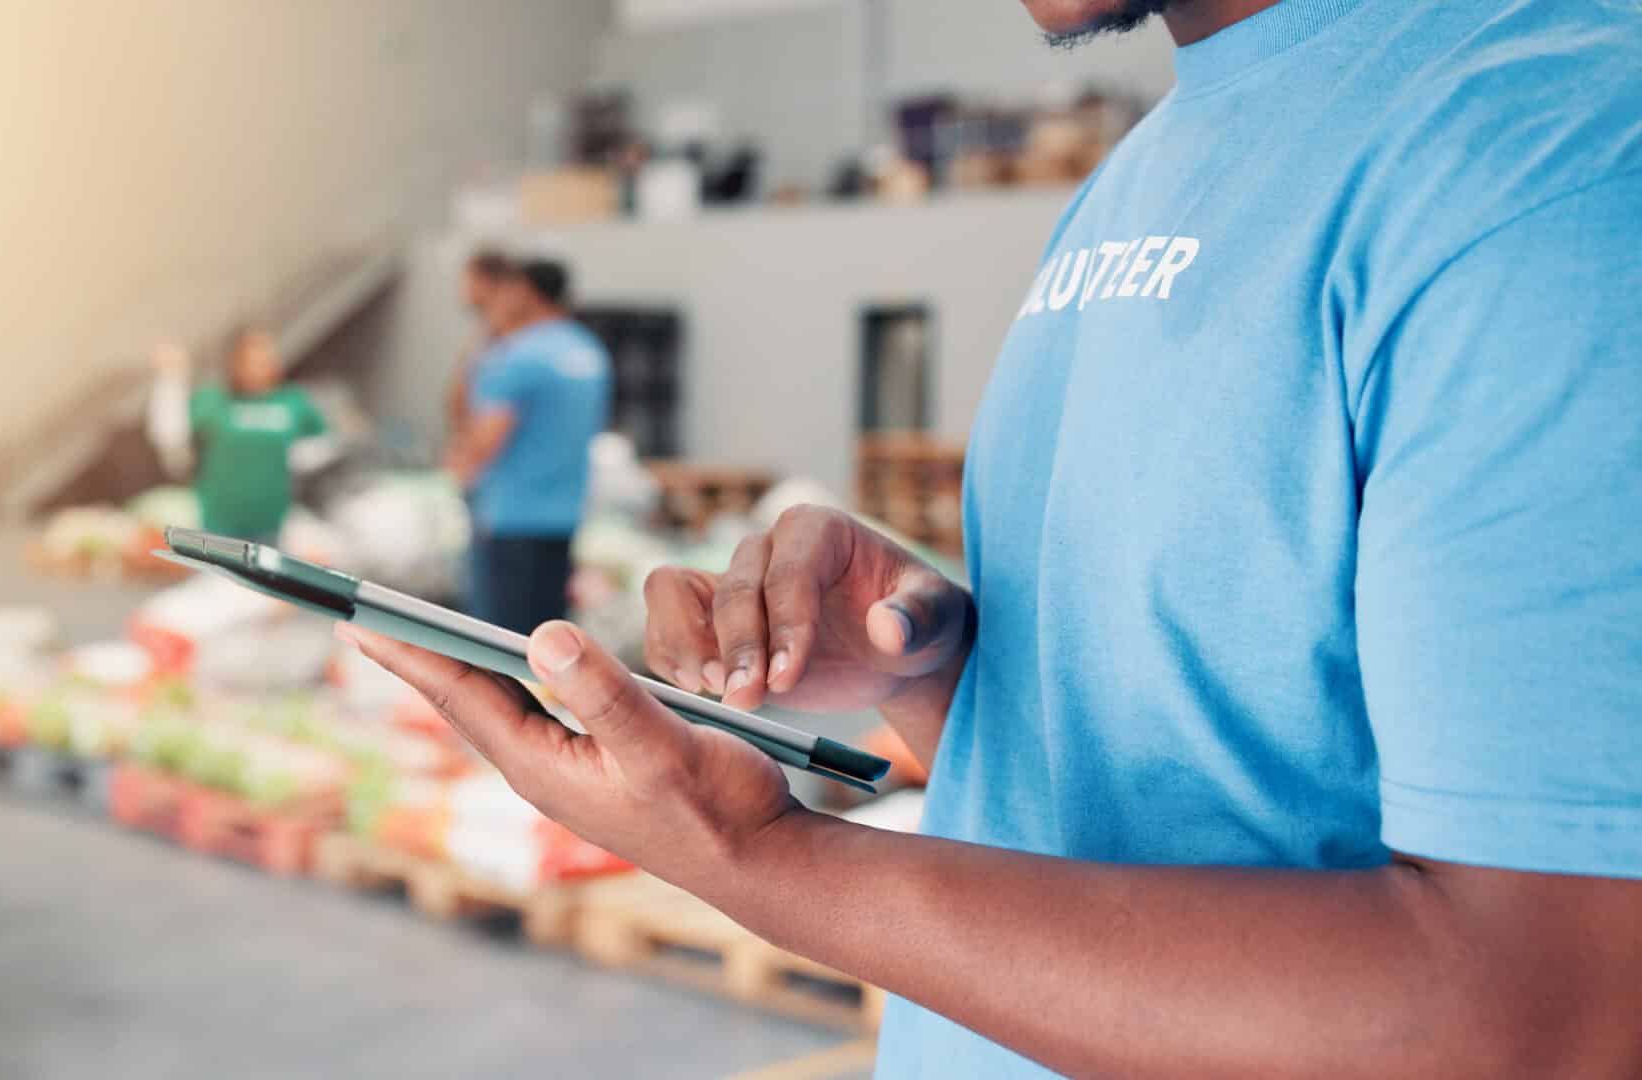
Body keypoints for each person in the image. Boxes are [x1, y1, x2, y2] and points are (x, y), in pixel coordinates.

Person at [339, 1, 1642, 1076]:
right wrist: (926, 679)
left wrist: (764, 859)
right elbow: (1206, 782)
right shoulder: (1154, 161)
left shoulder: (1557, 163)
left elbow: (1538, 1018)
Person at [446, 259, 611, 634]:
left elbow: (483, 442)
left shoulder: (518, 355)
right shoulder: (588, 352)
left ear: (522, 292)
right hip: (565, 514)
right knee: (550, 639)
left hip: (510, 518)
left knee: (500, 647)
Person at [145, 326, 326, 540]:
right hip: (218, 524)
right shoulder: (213, 400)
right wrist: (171, 379)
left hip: (275, 524)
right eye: (250, 359)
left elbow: (322, 449)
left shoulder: (293, 401)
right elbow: (171, 436)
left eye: (265, 357)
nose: (258, 366)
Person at [445, 249, 514, 439]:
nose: (462, 289)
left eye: (466, 281)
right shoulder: (486, 330)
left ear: (484, 281)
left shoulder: (507, 332)